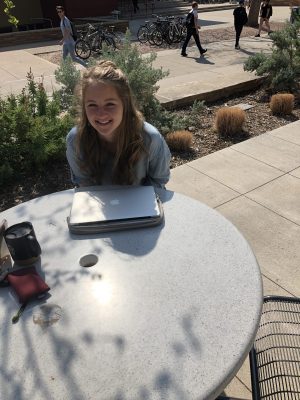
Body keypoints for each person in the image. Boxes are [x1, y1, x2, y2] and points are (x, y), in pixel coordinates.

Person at [66, 61, 171, 188]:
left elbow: (158, 181)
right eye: (92, 105)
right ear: (84, 107)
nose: (101, 114)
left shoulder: (150, 139)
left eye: (110, 104)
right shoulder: (75, 140)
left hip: (139, 204)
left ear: (125, 104)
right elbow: (83, 183)